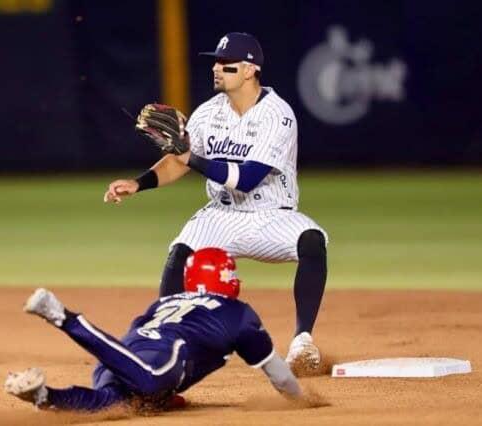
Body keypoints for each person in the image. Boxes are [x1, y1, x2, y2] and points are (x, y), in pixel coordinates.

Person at [103, 32, 328, 371]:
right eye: (216, 61)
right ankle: (167, 344)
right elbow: (178, 162)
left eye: (227, 64)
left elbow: (248, 177)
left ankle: (302, 342)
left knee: (312, 241)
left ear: (250, 69)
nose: (217, 68)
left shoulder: (277, 115)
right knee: (179, 253)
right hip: (221, 213)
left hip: (271, 215)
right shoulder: (208, 114)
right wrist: (138, 183)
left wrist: (189, 156)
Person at [4, 247, 302, 412]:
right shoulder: (238, 313)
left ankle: (44, 396)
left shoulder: (165, 302)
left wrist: (166, 398)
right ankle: (64, 317)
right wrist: (303, 402)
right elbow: (280, 376)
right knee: (151, 381)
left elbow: (138, 328)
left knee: (111, 405)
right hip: (163, 356)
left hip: (126, 353)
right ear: (227, 278)